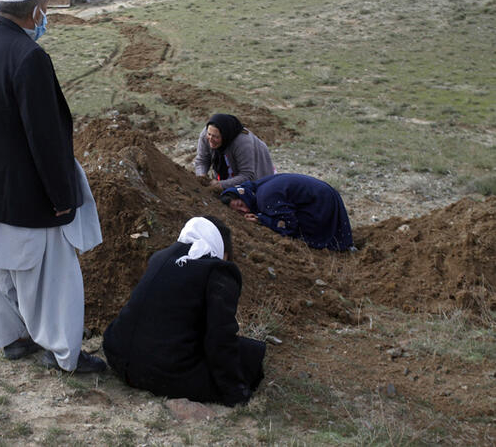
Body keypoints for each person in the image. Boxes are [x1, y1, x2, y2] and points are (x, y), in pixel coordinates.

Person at [0, 0, 106, 373]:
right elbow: (46, 135)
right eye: (45, 9)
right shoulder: (29, 57)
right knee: (56, 278)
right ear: (37, 10)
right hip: (25, 189)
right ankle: (65, 354)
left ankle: (14, 339)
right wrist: (62, 196)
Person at [103, 216, 266, 407]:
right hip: (159, 372)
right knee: (251, 354)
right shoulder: (218, 270)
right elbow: (220, 337)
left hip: (117, 355)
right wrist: (236, 392)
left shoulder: (160, 257)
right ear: (223, 250)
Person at [221, 174, 354, 251]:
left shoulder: (264, 198)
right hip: (323, 194)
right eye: (239, 211)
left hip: (321, 202)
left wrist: (261, 219)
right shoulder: (256, 189)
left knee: (299, 234)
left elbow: (289, 224)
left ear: (242, 195)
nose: (244, 210)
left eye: (241, 205)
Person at [194, 113, 275, 190]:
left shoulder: (242, 142)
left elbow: (247, 175)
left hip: (257, 172)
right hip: (230, 169)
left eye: (216, 137)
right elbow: (202, 160)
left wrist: (221, 184)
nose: (211, 139)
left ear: (225, 135)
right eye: (209, 134)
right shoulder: (207, 134)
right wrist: (202, 177)